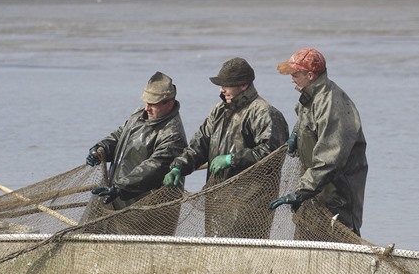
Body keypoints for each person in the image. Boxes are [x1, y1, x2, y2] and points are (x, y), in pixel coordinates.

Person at [163, 57, 289, 238]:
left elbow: (272, 155)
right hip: (217, 201)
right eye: (221, 84)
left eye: (227, 85)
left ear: (244, 85)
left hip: (250, 205)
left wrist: (232, 159)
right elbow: (199, 145)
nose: (222, 89)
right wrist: (179, 166)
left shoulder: (265, 113)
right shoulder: (218, 111)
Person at [269, 47, 368, 236]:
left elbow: (330, 159)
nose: (291, 79)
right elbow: (305, 120)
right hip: (316, 192)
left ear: (311, 75)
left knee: (335, 253)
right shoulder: (309, 97)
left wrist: (301, 191)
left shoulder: (332, 104)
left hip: (337, 198)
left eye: (295, 74)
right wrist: (296, 135)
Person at [86, 71, 188, 210]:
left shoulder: (173, 135)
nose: (147, 108)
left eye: (153, 103)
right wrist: (101, 148)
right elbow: (120, 134)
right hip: (117, 199)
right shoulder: (140, 113)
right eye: (146, 102)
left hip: (147, 210)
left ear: (169, 104)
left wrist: (120, 188)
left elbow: (153, 168)